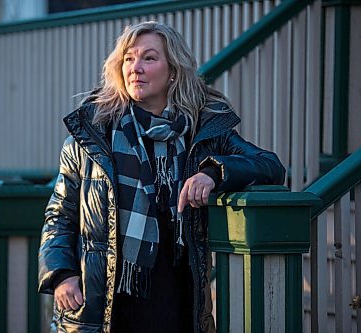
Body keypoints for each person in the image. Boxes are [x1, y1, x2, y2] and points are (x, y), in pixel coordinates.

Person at [38, 21, 285, 333]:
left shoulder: (203, 130)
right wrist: (60, 273)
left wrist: (213, 172)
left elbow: (270, 165)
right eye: (129, 59)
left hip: (177, 299)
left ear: (173, 70)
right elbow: (59, 215)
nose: (136, 68)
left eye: (149, 58)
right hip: (102, 301)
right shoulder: (90, 136)